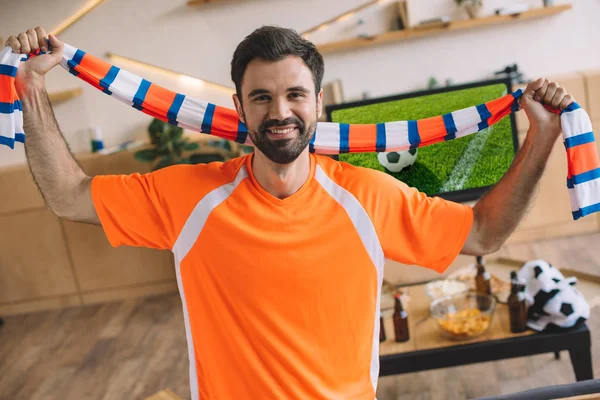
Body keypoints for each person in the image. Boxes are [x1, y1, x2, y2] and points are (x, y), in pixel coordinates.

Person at [5, 25, 575, 399]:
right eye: (262, 97)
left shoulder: (367, 196)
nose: (280, 112)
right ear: (239, 107)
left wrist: (542, 139)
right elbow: (69, 195)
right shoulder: (190, 198)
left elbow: (481, 232)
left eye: (295, 95)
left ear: (317, 102)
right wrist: (30, 88)